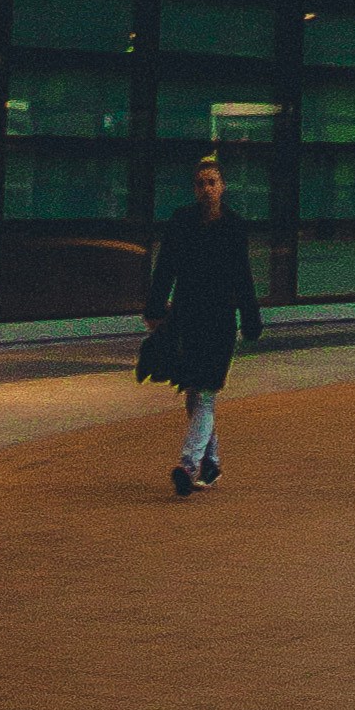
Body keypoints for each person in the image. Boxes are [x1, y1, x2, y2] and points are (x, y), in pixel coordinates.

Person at [145, 151, 261, 493]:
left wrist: (251, 317)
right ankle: (211, 463)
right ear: (194, 189)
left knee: (206, 394)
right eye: (201, 184)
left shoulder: (235, 226)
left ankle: (188, 463)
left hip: (220, 320)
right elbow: (165, 267)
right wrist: (155, 307)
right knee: (195, 393)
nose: (207, 189)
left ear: (222, 186)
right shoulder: (181, 222)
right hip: (187, 318)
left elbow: (243, 276)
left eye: (212, 182)